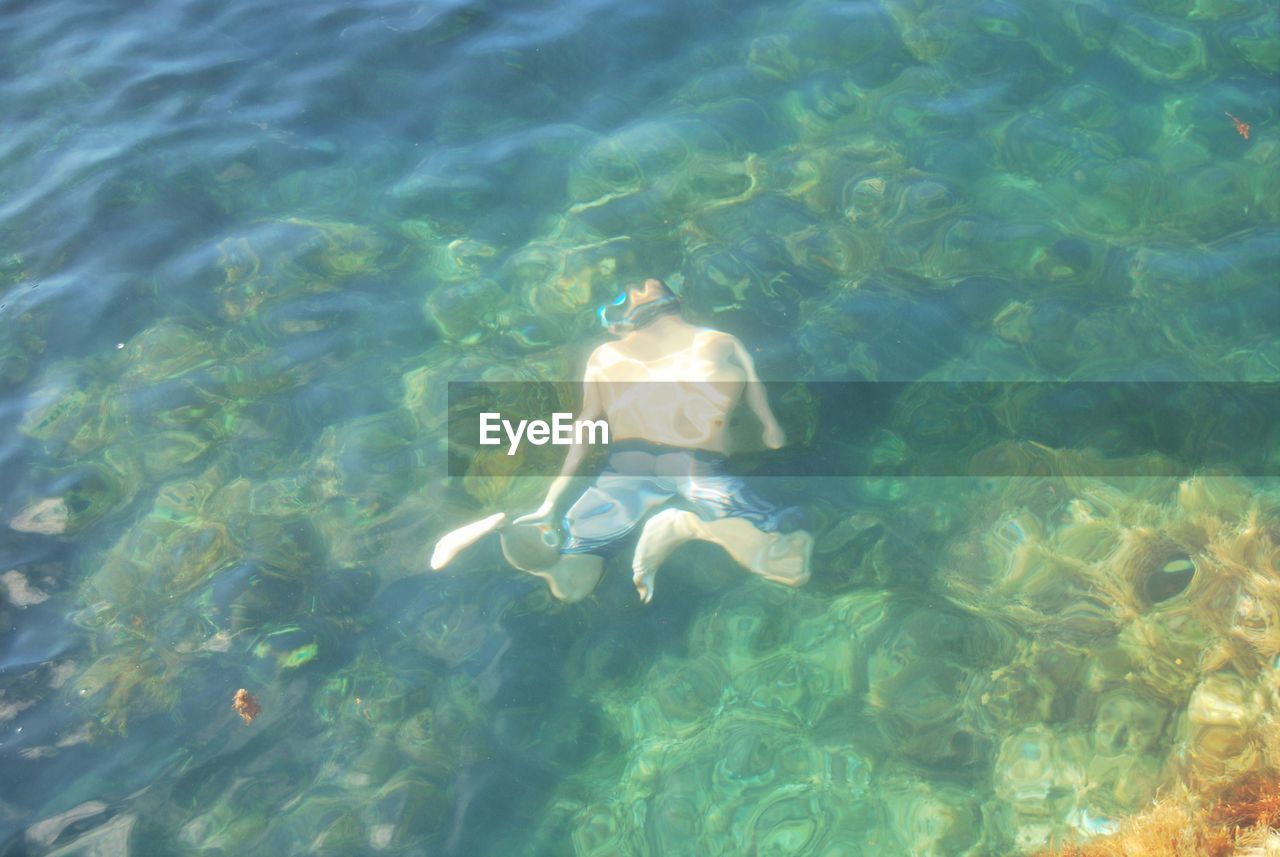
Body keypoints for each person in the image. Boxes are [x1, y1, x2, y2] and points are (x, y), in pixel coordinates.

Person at [430, 278, 813, 603]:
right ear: (674, 306)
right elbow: (757, 393)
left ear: (622, 324)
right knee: (791, 556)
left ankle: (503, 525)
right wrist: (770, 428)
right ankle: (689, 526)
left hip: (628, 465)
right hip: (696, 464)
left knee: (570, 584)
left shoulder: (604, 356)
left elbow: (584, 427)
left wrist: (550, 502)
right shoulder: (719, 341)